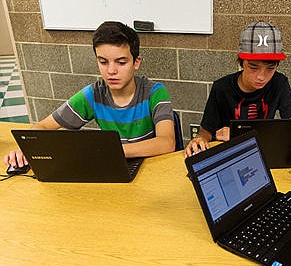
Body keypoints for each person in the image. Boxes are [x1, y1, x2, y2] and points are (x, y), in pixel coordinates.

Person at [4, 21, 175, 169]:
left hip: (150, 169)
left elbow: (166, 142)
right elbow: (42, 127)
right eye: (103, 62)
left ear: (136, 62)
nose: (111, 71)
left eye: (121, 62)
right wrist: (27, 148)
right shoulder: (93, 94)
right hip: (112, 167)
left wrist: (111, 151)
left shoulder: (155, 92)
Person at [184, 20, 291, 157]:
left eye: (270, 68)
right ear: (240, 62)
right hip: (229, 154)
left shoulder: (279, 82)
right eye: (253, 67)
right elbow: (206, 131)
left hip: (261, 152)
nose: (261, 77)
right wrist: (200, 139)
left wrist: (237, 134)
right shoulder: (222, 88)